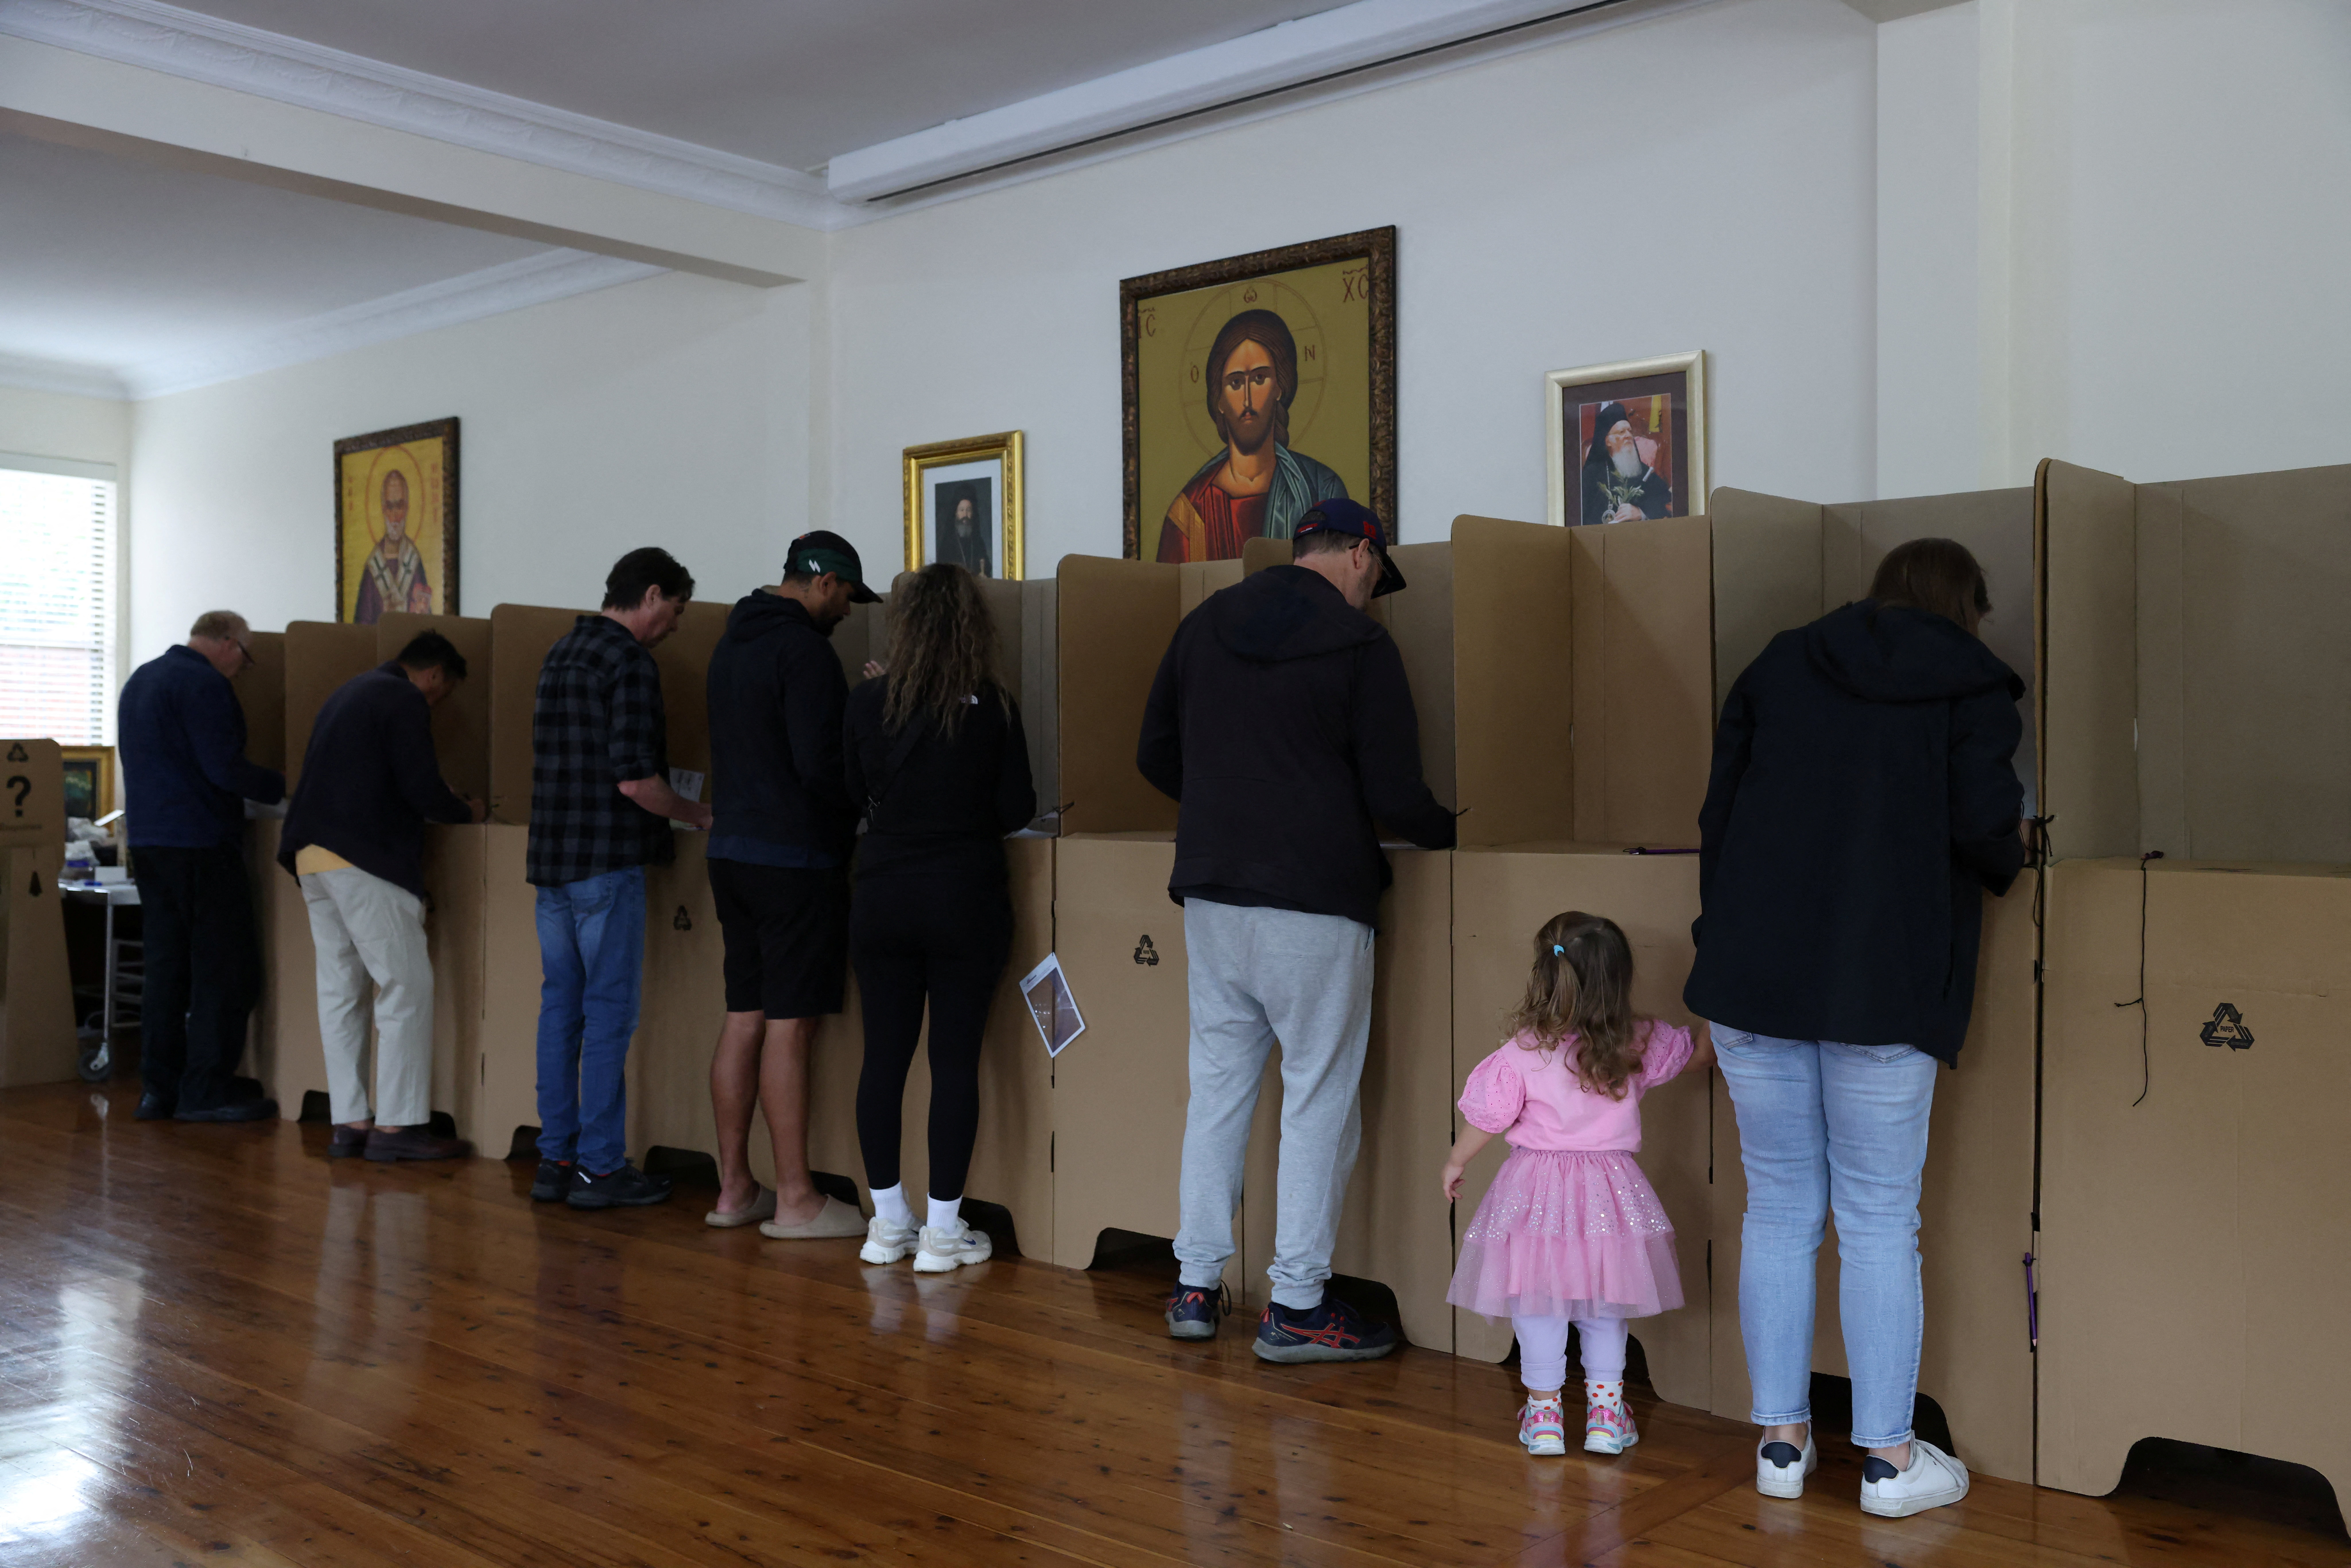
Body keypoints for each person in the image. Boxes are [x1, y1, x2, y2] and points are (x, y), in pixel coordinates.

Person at [1686, 537, 2025, 1520]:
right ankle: (1886, 1460)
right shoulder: (1972, 684)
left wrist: (1723, 943)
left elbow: (1721, 818)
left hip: (1753, 980)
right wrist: (2009, 861)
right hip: (1884, 982)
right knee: (1880, 1219)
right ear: (1968, 606)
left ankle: (1781, 1448)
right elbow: (1984, 828)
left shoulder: (1779, 660)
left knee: (1780, 1208)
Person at [1138, 498, 1456, 1361]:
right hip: (1315, 900)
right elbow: (1395, 792)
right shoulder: (1361, 646)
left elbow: (1153, 753)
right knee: (1318, 1097)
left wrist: (1223, 806)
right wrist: (1452, 832)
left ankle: (1197, 1285)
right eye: (1375, 581)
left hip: (1211, 893)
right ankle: (1296, 1306)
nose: (1373, 598)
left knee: (1218, 1089)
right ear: (1360, 553)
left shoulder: (1204, 624)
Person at [1441, 912, 1714, 1458]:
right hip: (1609, 1195)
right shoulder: (1637, 1042)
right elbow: (1702, 1055)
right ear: (1619, 980)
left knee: (1538, 1303)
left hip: (1532, 1192)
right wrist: (1719, 990)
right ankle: (1605, 1415)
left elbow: (1489, 1118)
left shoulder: (1522, 1050)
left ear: (1544, 975)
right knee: (1603, 1305)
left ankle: (1543, 1415)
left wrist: (1454, 1160)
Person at [845, 564, 1037, 1274]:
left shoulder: (868, 703)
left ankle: (887, 1223)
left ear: (902, 628)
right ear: (973, 628)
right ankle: (945, 1233)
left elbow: (851, 791)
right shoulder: (994, 707)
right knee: (954, 1060)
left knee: (883, 1059)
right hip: (965, 894)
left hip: (882, 895)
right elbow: (1017, 807)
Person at [700, 530, 878, 1240]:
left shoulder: (730, 641)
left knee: (743, 1014)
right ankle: (798, 1197)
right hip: (794, 859)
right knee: (789, 1022)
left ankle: (735, 1187)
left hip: (731, 852)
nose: (846, 613)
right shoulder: (805, 652)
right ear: (825, 583)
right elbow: (819, 766)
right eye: (846, 598)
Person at [527, 548, 713, 1210]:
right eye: (677, 610)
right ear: (652, 593)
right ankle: (602, 1169)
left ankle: (557, 1159)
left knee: (561, 1012)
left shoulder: (560, 651)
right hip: (606, 867)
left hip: (551, 868)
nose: (676, 626)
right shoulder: (629, 661)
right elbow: (635, 780)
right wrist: (696, 813)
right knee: (608, 1016)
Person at [278, 631, 486, 1162]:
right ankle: (398, 1127)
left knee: (342, 989)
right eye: (444, 692)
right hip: (362, 856)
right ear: (435, 674)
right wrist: (468, 811)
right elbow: (421, 786)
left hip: (312, 856)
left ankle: (350, 1120)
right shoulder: (403, 697)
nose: (437, 703)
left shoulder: (349, 691)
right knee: (405, 984)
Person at [116, 610, 285, 1123]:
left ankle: (157, 1089)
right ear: (229, 642)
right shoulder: (205, 684)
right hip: (200, 841)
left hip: (148, 840)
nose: (242, 668)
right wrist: (286, 788)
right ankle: (207, 1090)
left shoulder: (140, 679)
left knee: (167, 967)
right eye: (246, 657)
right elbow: (223, 767)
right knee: (224, 966)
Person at [1155, 308, 1349, 562]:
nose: (1247, 398)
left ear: (1279, 387)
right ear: (1220, 400)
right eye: (1235, 383)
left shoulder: (1322, 490)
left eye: (1259, 378)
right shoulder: (1191, 513)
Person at [354, 468, 433, 624]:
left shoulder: (414, 560)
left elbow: (427, 622)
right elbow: (361, 628)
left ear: (407, 507)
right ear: (383, 509)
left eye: (400, 506)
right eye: (390, 507)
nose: (395, 516)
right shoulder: (373, 566)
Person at [1579, 401, 1674, 526]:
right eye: (1622, 432)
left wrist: (1641, 512)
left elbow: (1664, 498)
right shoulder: (1592, 473)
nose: (1629, 436)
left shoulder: (1641, 470)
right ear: (1608, 441)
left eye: (1630, 431)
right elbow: (1583, 515)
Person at [937, 494, 992, 577]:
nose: (965, 515)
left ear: (973, 514)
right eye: (962, 510)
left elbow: (987, 568)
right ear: (956, 514)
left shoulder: (978, 542)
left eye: (969, 510)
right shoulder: (948, 543)